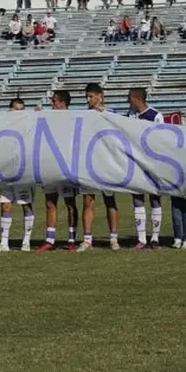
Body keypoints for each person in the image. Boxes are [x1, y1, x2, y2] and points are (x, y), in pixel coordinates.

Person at [78, 83, 121, 251]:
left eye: (91, 96)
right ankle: (87, 239)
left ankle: (114, 238)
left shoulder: (111, 114)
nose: (89, 100)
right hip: (88, 164)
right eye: (87, 97)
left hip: (107, 163)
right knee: (88, 201)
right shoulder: (83, 115)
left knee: (110, 200)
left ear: (100, 96)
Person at [36, 90, 80, 252]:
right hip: (49, 166)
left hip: (66, 166)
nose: (52, 105)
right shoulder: (48, 117)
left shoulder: (73, 118)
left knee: (70, 203)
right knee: (50, 202)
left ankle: (71, 239)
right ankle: (50, 240)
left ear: (62, 103)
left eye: (54, 101)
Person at [0, 98, 37, 251]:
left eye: (22, 109)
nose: (19, 112)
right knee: (5, 205)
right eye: (16, 109)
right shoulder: (4, 126)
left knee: (26, 205)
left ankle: (26, 241)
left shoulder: (28, 126)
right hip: (7, 172)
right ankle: (4, 242)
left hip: (23, 171)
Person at [127, 87, 164, 249]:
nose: (129, 102)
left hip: (152, 163)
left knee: (155, 198)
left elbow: (162, 139)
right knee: (137, 198)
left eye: (130, 99)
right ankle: (141, 238)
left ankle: (155, 238)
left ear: (137, 99)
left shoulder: (155, 116)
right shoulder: (130, 115)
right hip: (135, 162)